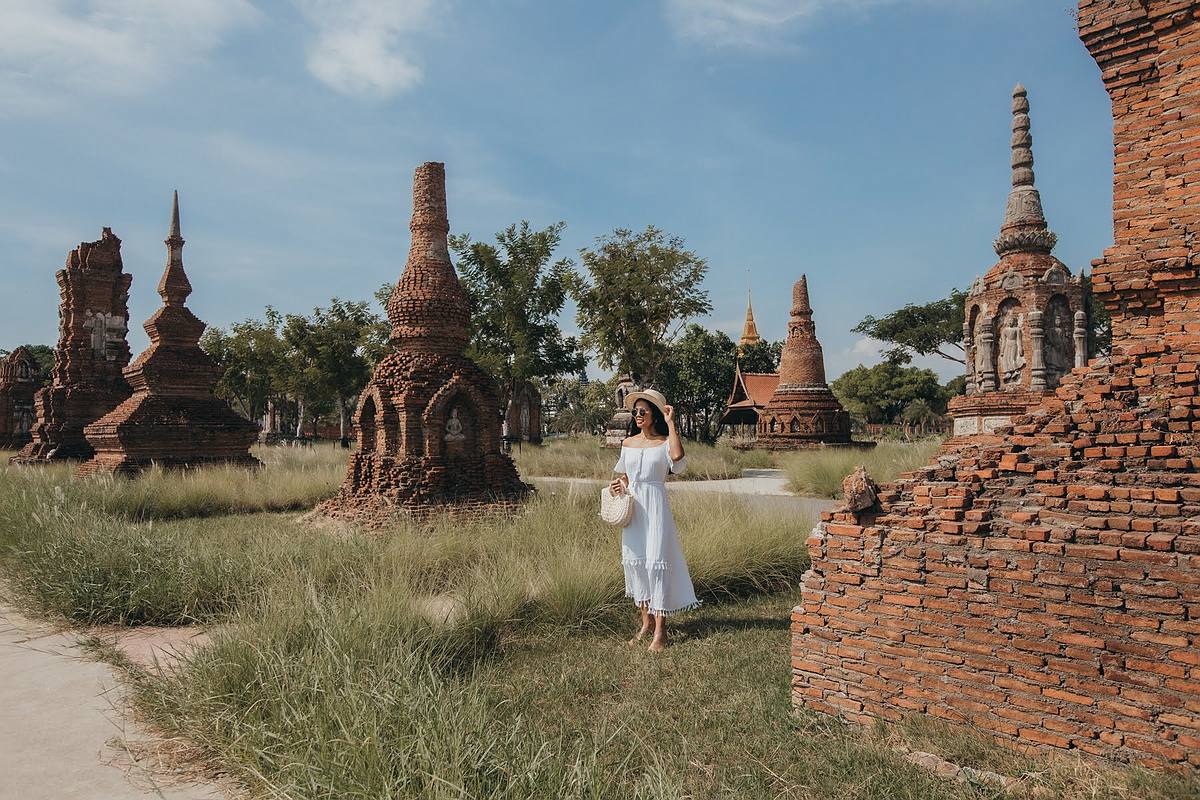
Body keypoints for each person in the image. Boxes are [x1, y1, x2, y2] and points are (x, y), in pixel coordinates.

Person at [609, 388, 699, 651]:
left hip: (656, 507)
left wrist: (671, 423)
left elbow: (678, 459)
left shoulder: (663, 443)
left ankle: (661, 631)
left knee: (656, 564)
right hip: (634, 508)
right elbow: (626, 476)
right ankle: (645, 623)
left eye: (642, 411)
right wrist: (619, 485)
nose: (637, 415)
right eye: (635, 411)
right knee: (637, 564)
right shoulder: (628, 444)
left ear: (654, 414)